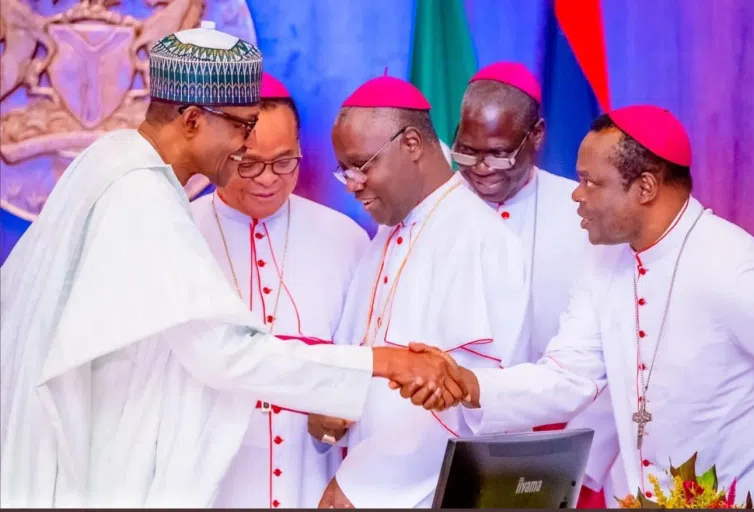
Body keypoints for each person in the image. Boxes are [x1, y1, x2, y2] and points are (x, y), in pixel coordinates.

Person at [0, 26, 465, 508]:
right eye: (242, 126)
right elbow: (224, 353)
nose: (245, 146)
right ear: (194, 120)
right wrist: (385, 362)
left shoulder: (115, 164)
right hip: (107, 457)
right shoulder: (138, 193)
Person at [399, 104, 754, 503]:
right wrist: (468, 384)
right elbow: (569, 374)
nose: (576, 194)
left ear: (645, 188)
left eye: (591, 182)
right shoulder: (607, 258)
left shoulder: (733, 266)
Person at [313, 75, 532, 509]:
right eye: (345, 171)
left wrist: (363, 485)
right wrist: (325, 414)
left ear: (411, 143)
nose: (352, 183)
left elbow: (465, 400)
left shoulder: (477, 237)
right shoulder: (388, 233)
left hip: (425, 494)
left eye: (362, 164)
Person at [189, 72, 371, 509]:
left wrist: (339, 415)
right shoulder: (181, 237)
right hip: (210, 487)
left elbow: (361, 368)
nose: (267, 179)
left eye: (284, 161)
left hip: (312, 481)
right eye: (248, 163)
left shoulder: (345, 239)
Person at [453, 61, 624, 506]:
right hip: (452, 441)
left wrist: (578, 462)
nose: (482, 169)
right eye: (467, 152)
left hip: (565, 450)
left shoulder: (584, 215)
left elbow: (610, 354)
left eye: (499, 153)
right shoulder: (434, 213)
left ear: (538, 135)